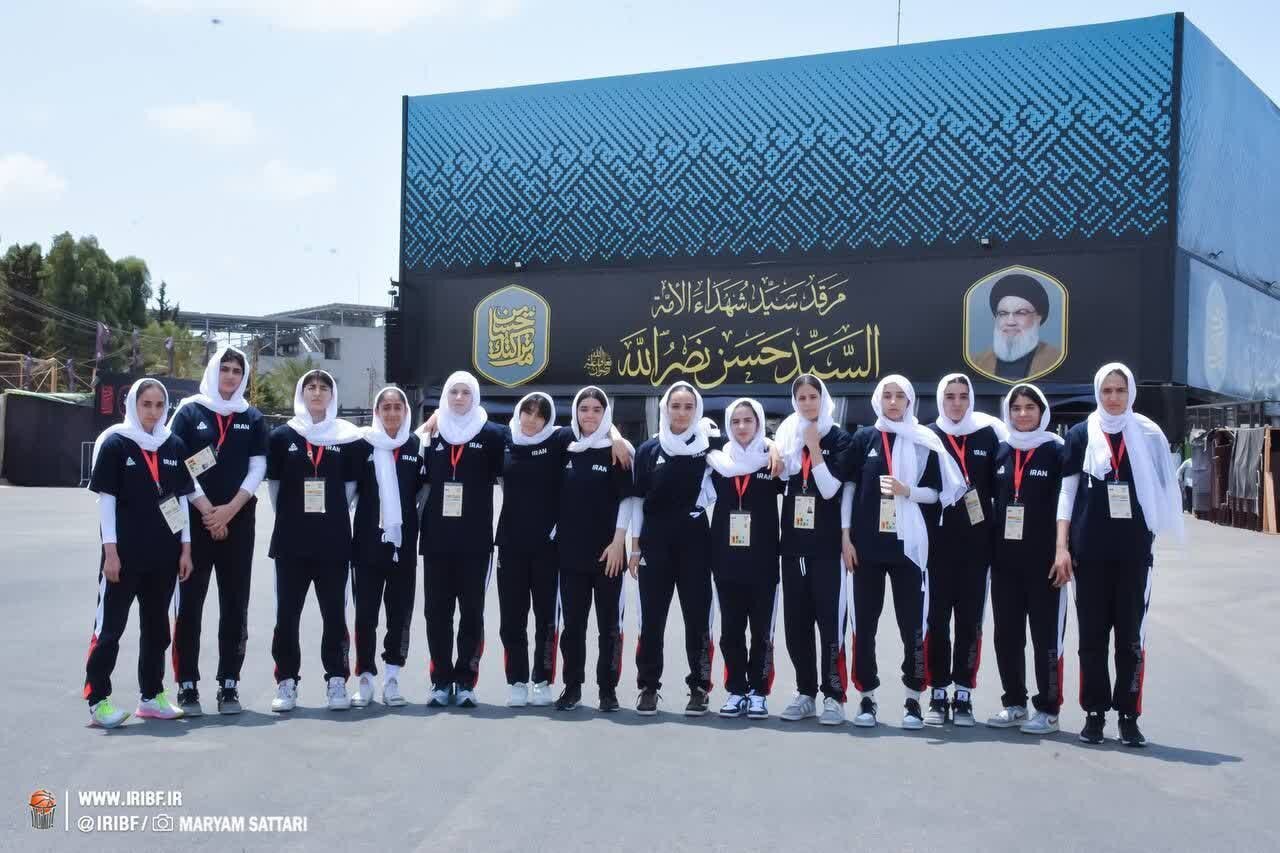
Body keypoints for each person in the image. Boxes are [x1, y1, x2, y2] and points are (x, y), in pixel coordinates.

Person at [1056, 363, 1183, 747]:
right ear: (1098, 392)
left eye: (1120, 390)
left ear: (1130, 393)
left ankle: (1129, 716)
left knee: (1130, 639)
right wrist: (1062, 546)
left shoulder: (1147, 435)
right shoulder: (1080, 435)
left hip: (1132, 556)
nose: (1113, 397)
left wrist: (1152, 534)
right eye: (1107, 390)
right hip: (1088, 556)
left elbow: (1163, 488)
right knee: (1092, 639)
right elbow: (1067, 494)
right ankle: (1094, 714)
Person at [840, 374, 965, 729]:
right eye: (887, 395)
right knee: (864, 625)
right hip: (865, 547)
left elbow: (938, 493)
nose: (893, 402)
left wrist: (906, 489)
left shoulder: (926, 440)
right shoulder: (864, 437)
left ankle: (913, 699)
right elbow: (849, 489)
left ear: (911, 401)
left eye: (900, 397)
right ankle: (867, 698)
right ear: (877, 399)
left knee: (912, 625)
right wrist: (846, 538)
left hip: (909, 548)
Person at [85, 378, 195, 727]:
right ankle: (98, 700)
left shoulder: (173, 444)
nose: (152, 411)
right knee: (110, 629)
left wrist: (186, 549)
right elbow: (107, 503)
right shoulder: (116, 444)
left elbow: (181, 503)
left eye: (159, 405)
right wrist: (111, 553)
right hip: (124, 556)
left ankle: (151, 695)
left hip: (164, 556)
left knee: (157, 630)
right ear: (133, 405)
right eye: (146, 404)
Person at [167, 346, 268, 716]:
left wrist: (230, 510)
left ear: (243, 377)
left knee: (234, 604)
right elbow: (177, 464)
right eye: (224, 369)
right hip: (196, 523)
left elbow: (257, 469)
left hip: (238, 521)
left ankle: (229, 684)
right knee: (190, 603)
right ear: (213, 371)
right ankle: (187, 685)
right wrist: (208, 509)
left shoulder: (252, 417)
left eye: (236, 371)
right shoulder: (189, 412)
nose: (230, 376)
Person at [266, 369, 363, 712]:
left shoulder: (347, 438)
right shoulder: (281, 436)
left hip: (334, 543)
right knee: (287, 616)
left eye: (324, 387)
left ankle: (337, 679)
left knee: (335, 615)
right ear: (302, 393)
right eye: (311, 387)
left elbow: (350, 491)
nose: (317, 393)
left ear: (332, 395)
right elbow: (275, 490)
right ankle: (286, 681)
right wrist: (297, 517)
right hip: (291, 543)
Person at [923, 373, 1008, 726]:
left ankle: (964, 692)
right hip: (937, 547)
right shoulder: (928, 436)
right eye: (950, 396)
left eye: (962, 396)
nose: (956, 403)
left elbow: (1000, 490)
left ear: (970, 399)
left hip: (976, 547)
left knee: (970, 623)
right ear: (941, 399)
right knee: (937, 621)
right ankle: (938, 691)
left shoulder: (988, 436)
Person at [419, 371, 506, 708]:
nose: (458, 398)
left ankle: (466, 681)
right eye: (452, 392)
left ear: (475, 397)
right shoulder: (431, 434)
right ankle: (440, 681)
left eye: (465, 393)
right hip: (436, 540)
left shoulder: (492, 434)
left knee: (472, 613)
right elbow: (400, 447)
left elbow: (531, 447)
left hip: (476, 542)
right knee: (436, 614)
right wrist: (430, 421)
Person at [628, 382, 716, 716]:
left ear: (697, 411)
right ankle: (648, 687)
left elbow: (747, 448)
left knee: (697, 618)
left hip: (695, 543)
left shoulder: (708, 448)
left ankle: (699, 687)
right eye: (675, 406)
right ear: (665, 409)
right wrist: (635, 548)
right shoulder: (649, 450)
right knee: (652, 619)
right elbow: (637, 502)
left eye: (688, 407)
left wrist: (773, 446)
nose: (681, 413)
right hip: (655, 543)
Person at [986, 384, 1068, 735]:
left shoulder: (1057, 451)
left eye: (1030, 407)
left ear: (1042, 411)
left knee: (1044, 637)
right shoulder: (1001, 451)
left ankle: (1048, 710)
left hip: (1044, 563)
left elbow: (1068, 505)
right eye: (1016, 407)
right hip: (1004, 563)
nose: (1022, 414)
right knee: (1006, 635)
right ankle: (1014, 703)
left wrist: (1064, 551)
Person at [774, 375, 852, 725]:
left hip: (826, 550)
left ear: (824, 399)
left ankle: (833, 695)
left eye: (813, 397)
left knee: (830, 625)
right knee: (796, 625)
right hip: (793, 548)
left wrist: (815, 447)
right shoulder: (787, 438)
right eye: (801, 398)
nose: (807, 404)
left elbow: (830, 490)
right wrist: (778, 446)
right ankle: (805, 692)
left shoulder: (838, 438)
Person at [554, 387, 636, 712]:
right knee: (572, 627)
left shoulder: (617, 451)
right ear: (575, 412)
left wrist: (619, 542)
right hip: (570, 553)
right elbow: (524, 433)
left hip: (608, 555)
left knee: (609, 628)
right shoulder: (564, 445)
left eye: (596, 410)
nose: (589, 415)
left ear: (606, 414)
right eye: (583, 409)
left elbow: (628, 500)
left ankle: (607, 691)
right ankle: (572, 687)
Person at [705, 398, 783, 720]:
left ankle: (759, 692)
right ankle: (736, 690)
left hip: (764, 562)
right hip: (725, 561)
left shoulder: (774, 463)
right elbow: (691, 429)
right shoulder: (716, 462)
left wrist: (774, 446)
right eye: (735, 421)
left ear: (759, 423)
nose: (741, 427)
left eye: (748, 420)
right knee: (731, 633)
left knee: (762, 632)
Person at [350, 386, 426, 709]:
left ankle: (392, 677)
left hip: (403, 548)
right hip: (366, 546)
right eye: (386, 407)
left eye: (398, 407)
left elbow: (422, 493)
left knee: (399, 615)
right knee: (365, 615)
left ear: (406, 412)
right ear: (377, 412)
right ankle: (365, 677)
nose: (392, 413)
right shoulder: (362, 444)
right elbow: (349, 493)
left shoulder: (416, 446)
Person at [971, 273, 1062, 381]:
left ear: (1038, 318)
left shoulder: (1056, 360)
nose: (1010, 322)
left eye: (1021, 313)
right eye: (1003, 313)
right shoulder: (978, 361)